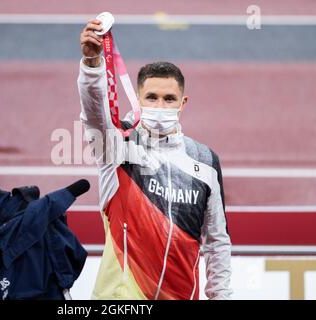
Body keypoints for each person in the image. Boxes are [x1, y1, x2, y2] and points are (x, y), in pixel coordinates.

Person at [77, 19, 232, 300]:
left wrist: (221, 296)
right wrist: (91, 65)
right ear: (138, 99)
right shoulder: (118, 147)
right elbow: (93, 115)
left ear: (183, 103)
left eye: (169, 99)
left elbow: (216, 242)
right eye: (151, 97)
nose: (160, 106)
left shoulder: (206, 161)